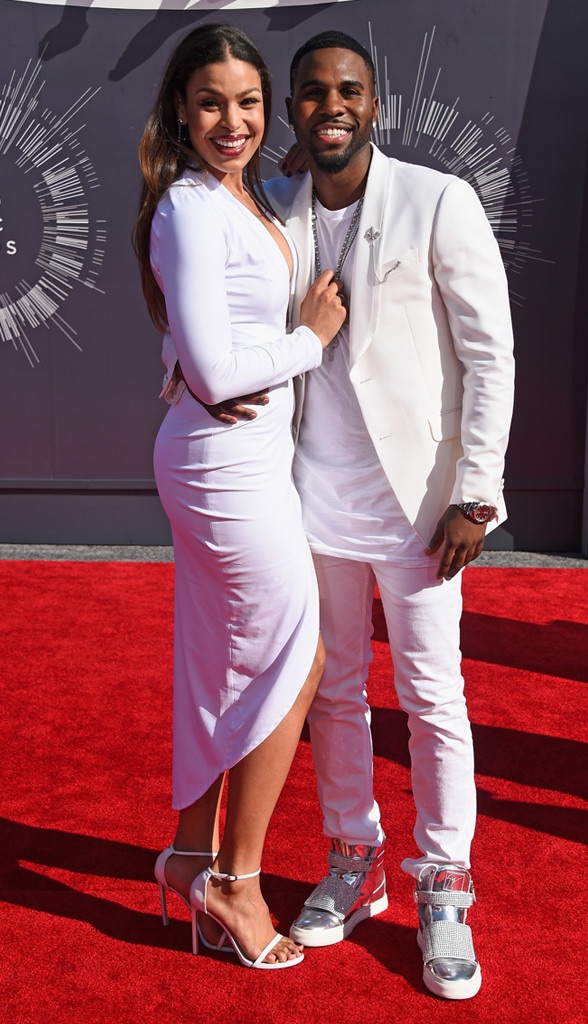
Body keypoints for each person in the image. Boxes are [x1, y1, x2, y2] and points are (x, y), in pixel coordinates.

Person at [258, 30, 514, 999]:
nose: (332, 104)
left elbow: (490, 356)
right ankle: (352, 860)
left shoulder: (436, 199)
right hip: (309, 502)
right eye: (314, 92)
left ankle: (443, 886)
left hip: (420, 511)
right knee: (333, 696)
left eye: (348, 91)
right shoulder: (271, 209)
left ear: (376, 104)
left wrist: (473, 495)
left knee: (431, 695)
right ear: (294, 111)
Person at [133, 24, 345, 971]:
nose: (233, 119)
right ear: (180, 107)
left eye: (249, 102)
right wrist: (311, 339)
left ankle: (188, 855)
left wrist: (286, 171)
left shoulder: (240, 195)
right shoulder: (186, 204)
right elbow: (220, 369)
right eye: (212, 101)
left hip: (244, 457)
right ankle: (235, 882)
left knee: (219, 664)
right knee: (295, 659)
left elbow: (204, 341)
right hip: (222, 463)